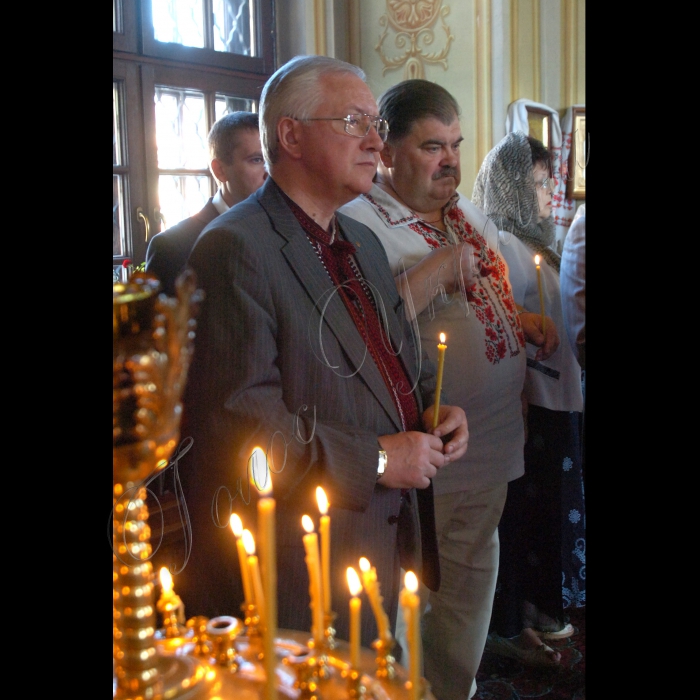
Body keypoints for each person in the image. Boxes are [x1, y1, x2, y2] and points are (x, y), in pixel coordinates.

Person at [176, 56, 469, 649]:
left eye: (377, 125)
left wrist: (430, 412)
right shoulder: (236, 247)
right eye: (355, 121)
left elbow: (395, 358)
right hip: (303, 562)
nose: (375, 141)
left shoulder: (356, 236)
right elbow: (242, 432)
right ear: (291, 135)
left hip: (385, 541)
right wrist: (383, 460)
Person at [339, 79, 558, 700]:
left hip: (491, 447)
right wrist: (434, 271)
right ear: (385, 149)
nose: (451, 160)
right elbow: (357, 337)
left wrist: (523, 322)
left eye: (456, 144)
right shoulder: (362, 226)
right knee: (420, 603)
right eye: (432, 145)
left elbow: (489, 300)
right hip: (427, 455)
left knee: (468, 594)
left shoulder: (469, 216)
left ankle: (450, 690)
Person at [472, 131, 585, 666]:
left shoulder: (541, 242)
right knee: (530, 511)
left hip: (558, 394)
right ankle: (527, 612)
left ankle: (546, 604)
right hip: (528, 400)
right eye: (538, 183)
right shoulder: (499, 244)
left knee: (553, 503)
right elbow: (497, 322)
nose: (548, 194)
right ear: (512, 187)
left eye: (550, 182)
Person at [145, 111, 267, 296]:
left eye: (273, 160)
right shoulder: (171, 248)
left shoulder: (288, 231)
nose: (270, 173)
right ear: (220, 170)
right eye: (256, 159)